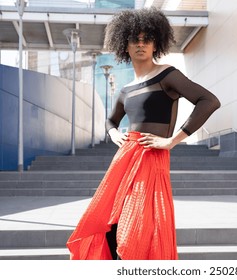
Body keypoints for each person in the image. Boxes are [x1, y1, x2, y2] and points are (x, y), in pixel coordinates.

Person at [66, 7, 220, 260]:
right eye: (134, 39)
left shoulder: (168, 74)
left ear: (155, 44)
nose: (140, 44)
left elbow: (209, 101)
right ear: (123, 45)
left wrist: (173, 140)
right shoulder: (126, 89)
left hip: (151, 157)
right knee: (107, 224)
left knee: (137, 229)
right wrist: (115, 133)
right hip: (124, 159)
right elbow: (111, 120)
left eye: (146, 39)